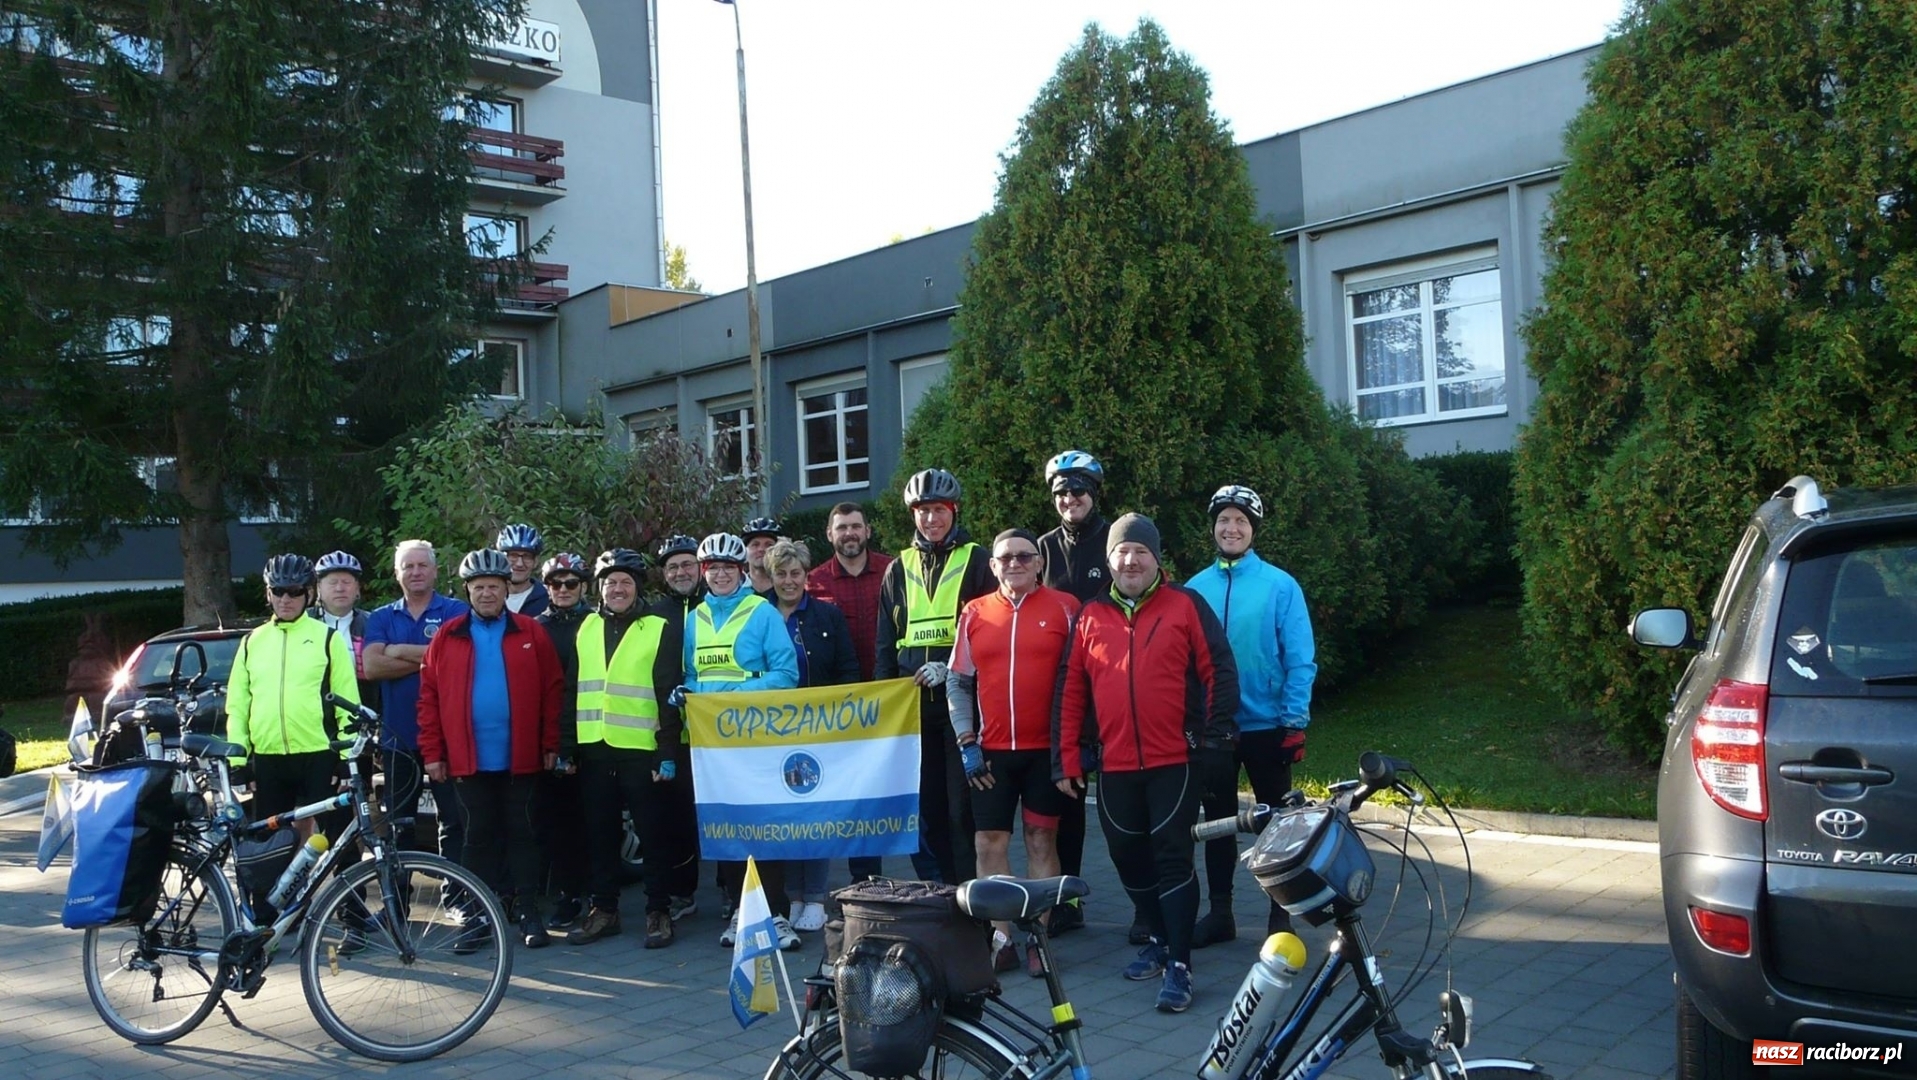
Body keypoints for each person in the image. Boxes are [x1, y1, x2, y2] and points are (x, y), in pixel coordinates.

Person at [1054, 514, 1238, 1014]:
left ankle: (1179, 963)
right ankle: (1157, 937)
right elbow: (1071, 691)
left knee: (1172, 857)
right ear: (1109, 561)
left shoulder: (1185, 605)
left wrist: (1216, 737)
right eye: (1121, 553)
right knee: (1126, 855)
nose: (1130, 561)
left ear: (1157, 558)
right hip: (1114, 764)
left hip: (1175, 759)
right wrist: (1067, 757)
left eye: (1140, 552)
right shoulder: (1091, 617)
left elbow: (1218, 668)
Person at [1187, 484, 1318, 946]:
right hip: (1215, 729)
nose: (1232, 528)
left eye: (1241, 521)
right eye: (1224, 519)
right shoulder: (1194, 588)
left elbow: (1300, 657)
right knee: (1219, 822)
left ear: (1253, 530)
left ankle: (1280, 916)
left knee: (1278, 825)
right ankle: (1220, 913)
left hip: (1267, 726)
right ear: (1213, 527)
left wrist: (1294, 721)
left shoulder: (1280, 585)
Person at [947, 529, 1079, 977]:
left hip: (1047, 753)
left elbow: (1081, 681)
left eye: (1024, 556)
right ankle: (1000, 937)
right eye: (1005, 558)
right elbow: (958, 681)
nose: (1015, 564)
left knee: (1041, 840)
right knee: (989, 843)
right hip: (992, 754)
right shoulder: (975, 611)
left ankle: (1038, 938)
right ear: (993, 566)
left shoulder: (1065, 608)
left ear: (1039, 563)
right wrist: (967, 741)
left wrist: (1075, 748)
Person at [417, 549, 564, 950]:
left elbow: (553, 690)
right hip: (467, 760)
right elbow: (428, 698)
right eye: (479, 587)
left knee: (523, 833)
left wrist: (551, 743)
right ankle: (477, 917)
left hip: (522, 757)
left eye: (494, 587)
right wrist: (432, 752)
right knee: (476, 838)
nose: (486, 594)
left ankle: (528, 913)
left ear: (506, 589)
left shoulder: (531, 632)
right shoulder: (447, 637)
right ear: (467, 590)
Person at [678, 532, 802, 950]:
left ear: (742, 571)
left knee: (765, 827)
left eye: (728, 568)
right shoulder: (693, 618)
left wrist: (728, 698)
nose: (720, 575)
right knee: (728, 827)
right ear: (703, 573)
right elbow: (691, 677)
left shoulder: (762, 612)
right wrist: (687, 695)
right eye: (712, 568)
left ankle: (778, 914)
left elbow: (786, 677)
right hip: (715, 746)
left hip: (759, 739)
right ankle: (740, 911)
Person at [875, 469, 996, 885]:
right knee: (925, 810)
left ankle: (969, 896)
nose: (931, 519)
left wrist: (951, 666)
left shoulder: (978, 560)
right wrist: (883, 705)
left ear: (953, 511)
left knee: (960, 809)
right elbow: (885, 645)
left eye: (939, 510)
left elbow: (992, 629)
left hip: (960, 707)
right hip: (912, 709)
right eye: (923, 511)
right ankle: (938, 892)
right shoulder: (898, 568)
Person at [566, 548, 686, 949]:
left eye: (625, 582)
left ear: (638, 588)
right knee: (599, 835)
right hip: (595, 748)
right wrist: (567, 745)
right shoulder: (585, 628)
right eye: (610, 582)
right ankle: (604, 911)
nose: (617, 589)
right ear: (600, 589)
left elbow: (669, 694)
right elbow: (572, 690)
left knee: (653, 835)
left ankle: (658, 911)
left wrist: (666, 752)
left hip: (642, 749)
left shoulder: (659, 627)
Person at [227, 555, 361, 841]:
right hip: (268, 758)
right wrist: (238, 761)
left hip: (320, 755)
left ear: (309, 594)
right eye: (278, 591)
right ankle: (271, 889)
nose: (285, 599)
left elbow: (346, 701)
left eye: (295, 591)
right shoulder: (252, 641)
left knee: (340, 841)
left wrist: (346, 758)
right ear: (268, 593)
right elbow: (238, 706)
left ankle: (355, 888)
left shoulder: (327, 638)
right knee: (267, 848)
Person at [1034, 449, 1111, 937]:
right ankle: (1069, 898)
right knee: (1069, 795)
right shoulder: (1040, 548)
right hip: (1064, 686)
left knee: (1124, 800)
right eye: (1061, 491)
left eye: (1078, 489)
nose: (1070, 498)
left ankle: (1148, 906)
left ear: (1093, 493)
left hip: (1113, 679)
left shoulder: (1113, 540)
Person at [765, 539, 859, 932]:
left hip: (820, 731)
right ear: (771, 577)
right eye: (781, 574)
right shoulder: (758, 616)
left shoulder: (827, 616)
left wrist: (843, 719)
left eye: (796, 574)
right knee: (785, 817)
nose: (789, 581)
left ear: (806, 576)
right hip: (770, 733)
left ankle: (817, 898)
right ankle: (794, 897)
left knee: (815, 815)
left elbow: (848, 668)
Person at [363, 541, 470, 862]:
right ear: (397, 574)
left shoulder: (456, 611)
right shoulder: (381, 616)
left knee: (454, 822)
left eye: (422, 565)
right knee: (398, 827)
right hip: (398, 738)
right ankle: (400, 903)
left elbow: (459, 660)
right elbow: (372, 667)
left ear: (435, 570)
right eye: (408, 566)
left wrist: (395, 650)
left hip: (447, 736)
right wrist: (433, 657)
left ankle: (457, 900)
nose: (416, 572)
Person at [805, 502, 893, 884]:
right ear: (830, 535)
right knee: (856, 796)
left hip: (893, 701)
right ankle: (865, 882)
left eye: (856, 526)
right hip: (841, 708)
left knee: (904, 790)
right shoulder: (813, 582)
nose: (849, 534)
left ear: (867, 531)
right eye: (841, 528)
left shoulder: (896, 571)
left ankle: (936, 877)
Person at [535, 552, 594, 932]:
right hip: (554, 735)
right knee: (558, 823)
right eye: (555, 584)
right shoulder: (533, 628)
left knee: (595, 822)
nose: (563, 590)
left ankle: (599, 898)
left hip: (595, 734)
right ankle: (567, 895)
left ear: (584, 587)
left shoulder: (597, 623)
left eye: (571, 583)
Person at [649, 532, 705, 923]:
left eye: (687, 564)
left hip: (716, 730)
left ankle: (732, 890)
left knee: (720, 811)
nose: (681, 571)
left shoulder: (717, 605)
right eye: (673, 567)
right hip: (673, 732)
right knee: (677, 817)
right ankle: (683, 891)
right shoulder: (653, 615)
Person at [309, 550, 379, 704]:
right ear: (319, 588)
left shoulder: (372, 623)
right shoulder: (304, 623)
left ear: (357, 588)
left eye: (346, 582)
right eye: (333, 582)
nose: (340, 588)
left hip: (361, 713)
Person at [495, 523, 550, 618]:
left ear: (536, 561)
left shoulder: (548, 598)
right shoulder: (487, 596)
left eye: (527, 557)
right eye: (513, 555)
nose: (519, 563)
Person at [741, 516, 783, 597]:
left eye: (768, 545)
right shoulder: (736, 588)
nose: (761, 549)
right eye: (755, 544)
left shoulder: (787, 587)